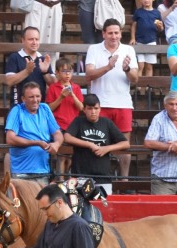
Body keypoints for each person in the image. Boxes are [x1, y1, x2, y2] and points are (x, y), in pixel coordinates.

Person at [85, 19, 139, 179]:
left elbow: (135, 79)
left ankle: (124, 181)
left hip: (123, 104)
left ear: (121, 33)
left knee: (124, 145)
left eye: (116, 33)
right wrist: (108, 67)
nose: (114, 36)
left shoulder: (128, 49)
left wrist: (127, 69)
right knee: (98, 143)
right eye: (110, 33)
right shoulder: (94, 49)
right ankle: (98, 179)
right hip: (99, 105)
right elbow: (89, 74)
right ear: (103, 34)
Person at [64, 94, 131, 194]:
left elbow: (126, 143)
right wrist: (89, 144)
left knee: (104, 206)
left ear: (100, 109)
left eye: (96, 108)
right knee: (81, 207)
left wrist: (107, 148)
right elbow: (67, 137)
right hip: (81, 176)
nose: (93, 112)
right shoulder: (78, 121)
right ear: (84, 109)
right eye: (90, 108)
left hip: (103, 176)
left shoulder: (107, 123)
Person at [5, 82, 63, 184]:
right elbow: (10, 138)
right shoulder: (17, 111)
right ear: (23, 99)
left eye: (38, 96)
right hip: (21, 172)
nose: (35, 100)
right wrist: (36, 143)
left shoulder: (45, 108)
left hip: (43, 171)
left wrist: (56, 144)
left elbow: (57, 133)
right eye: (31, 97)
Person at [6, 27, 57, 107]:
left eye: (37, 39)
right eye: (31, 39)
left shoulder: (43, 59)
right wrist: (27, 71)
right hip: (19, 107)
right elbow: (9, 81)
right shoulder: (15, 57)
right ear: (23, 40)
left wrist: (45, 72)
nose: (34, 42)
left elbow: (54, 85)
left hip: (39, 108)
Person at [45, 57, 85, 131]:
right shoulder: (53, 87)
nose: (67, 74)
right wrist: (61, 97)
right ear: (57, 72)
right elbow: (50, 108)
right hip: (57, 124)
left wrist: (73, 95)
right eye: (64, 71)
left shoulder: (76, 87)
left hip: (74, 124)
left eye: (70, 71)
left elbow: (81, 108)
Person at [132, 0, 163, 77]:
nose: (146, 0)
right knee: (140, 65)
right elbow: (133, 26)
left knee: (149, 66)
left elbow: (160, 29)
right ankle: (138, 87)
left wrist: (160, 27)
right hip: (140, 41)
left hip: (151, 41)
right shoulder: (138, 12)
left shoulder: (157, 13)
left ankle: (147, 87)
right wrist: (133, 38)